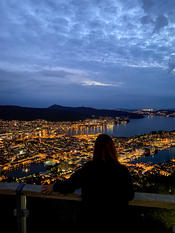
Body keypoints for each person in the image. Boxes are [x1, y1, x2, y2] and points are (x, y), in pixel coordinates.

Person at [42, 134, 134, 231]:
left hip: (92, 219)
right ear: (113, 149)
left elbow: (71, 184)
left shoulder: (89, 168)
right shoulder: (122, 170)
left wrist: (54, 187)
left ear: (96, 150)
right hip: (117, 220)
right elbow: (130, 195)